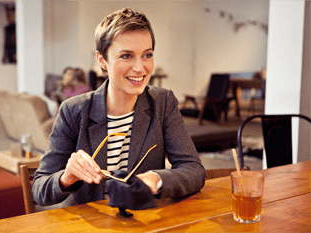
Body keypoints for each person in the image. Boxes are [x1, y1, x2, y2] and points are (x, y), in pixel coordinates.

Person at [33, 7, 205, 207]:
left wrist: (155, 179)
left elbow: (194, 169)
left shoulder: (163, 102)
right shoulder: (73, 111)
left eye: (147, 55)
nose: (140, 68)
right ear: (102, 61)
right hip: (88, 224)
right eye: (126, 56)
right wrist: (67, 177)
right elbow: (39, 190)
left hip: (142, 221)